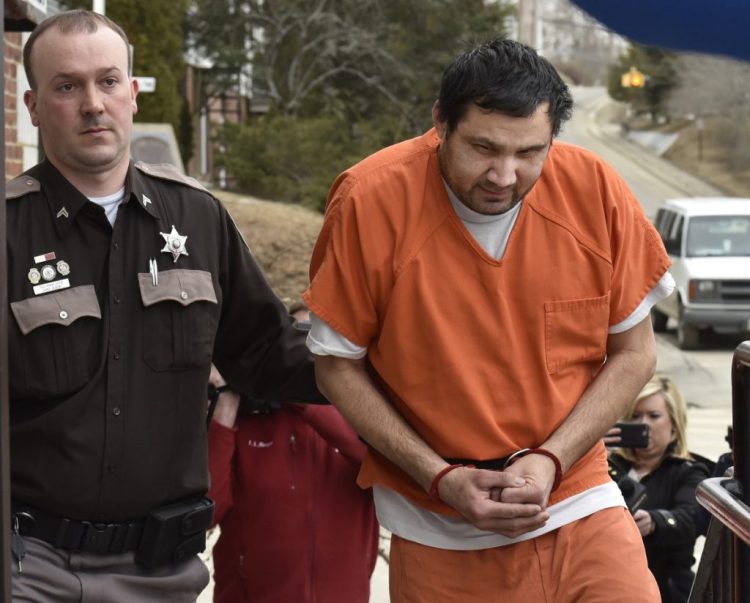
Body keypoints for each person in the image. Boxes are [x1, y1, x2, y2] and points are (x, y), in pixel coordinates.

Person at [303, 38, 675, 601]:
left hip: (579, 498)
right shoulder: (369, 199)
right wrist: (440, 477)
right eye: (483, 147)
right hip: (439, 525)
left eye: (530, 152)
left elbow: (634, 353)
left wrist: (552, 459)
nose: (504, 174)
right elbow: (336, 367)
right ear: (440, 123)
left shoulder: (596, 189)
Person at [7, 10, 323, 602]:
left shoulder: (198, 218)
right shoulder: (6, 230)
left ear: (131, 93)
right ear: (32, 105)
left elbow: (264, 352)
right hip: (32, 567)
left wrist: (392, 356)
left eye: (107, 82)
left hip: (162, 574)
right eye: (67, 86)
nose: (92, 104)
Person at [206, 304, 379, 603]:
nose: (304, 361)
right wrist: (225, 405)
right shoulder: (244, 425)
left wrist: (301, 396)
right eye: (296, 349)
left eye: (315, 350)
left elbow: (378, 464)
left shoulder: (359, 424)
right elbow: (207, 511)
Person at [608, 375, 710, 603]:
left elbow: (691, 518)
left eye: (654, 416)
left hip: (667, 587)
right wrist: (595, 461)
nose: (643, 424)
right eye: (635, 416)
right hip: (612, 583)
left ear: (674, 424)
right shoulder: (609, 465)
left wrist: (655, 522)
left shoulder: (688, 471)